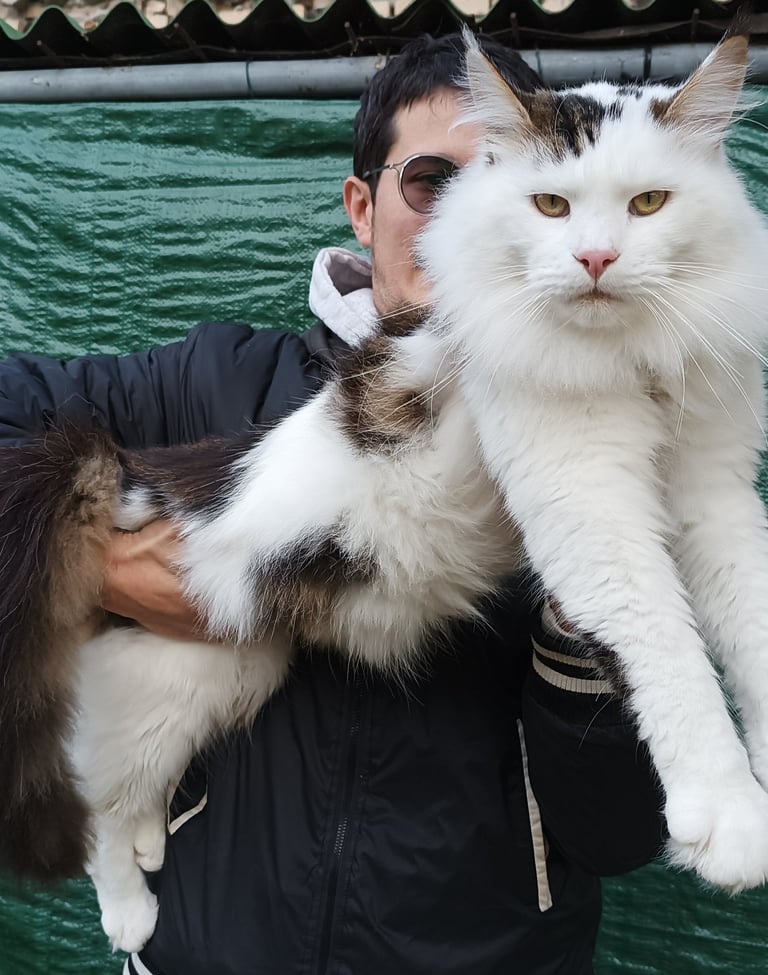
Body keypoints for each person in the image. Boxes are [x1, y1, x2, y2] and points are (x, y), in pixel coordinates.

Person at [0, 33, 665, 975]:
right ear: (363, 205)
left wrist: (582, 619)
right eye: (432, 178)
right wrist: (101, 563)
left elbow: (621, 831)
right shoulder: (216, 383)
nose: (465, 212)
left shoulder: (599, 437)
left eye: (508, 177)